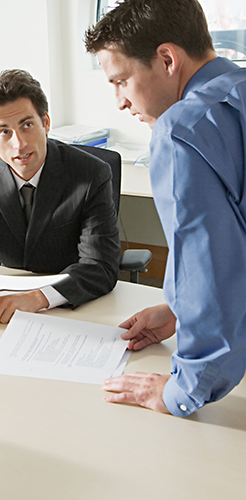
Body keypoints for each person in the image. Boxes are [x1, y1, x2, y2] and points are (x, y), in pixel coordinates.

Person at [85, 0, 246, 416]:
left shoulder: (180, 129)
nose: (120, 101)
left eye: (121, 80)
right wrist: (178, 307)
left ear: (167, 59)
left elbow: (209, 267)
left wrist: (181, 390)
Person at [0, 69, 120, 324]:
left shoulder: (90, 174)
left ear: (45, 123)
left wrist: (38, 297)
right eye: (4, 131)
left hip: (68, 308)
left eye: (27, 125)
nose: (19, 143)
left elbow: (100, 267)